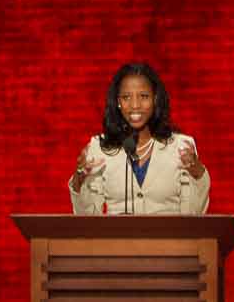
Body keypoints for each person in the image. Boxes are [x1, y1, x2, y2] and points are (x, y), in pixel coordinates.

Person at [68, 61, 210, 215]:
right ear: (118, 102)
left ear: (155, 99)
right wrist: (79, 181)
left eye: (144, 96)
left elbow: (194, 216)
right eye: (126, 97)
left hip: (168, 238)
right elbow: (88, 220)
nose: (135, 105)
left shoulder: (181, 146)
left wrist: (198, 174)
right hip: (117, 239)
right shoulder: (99, 148)